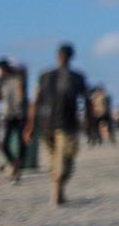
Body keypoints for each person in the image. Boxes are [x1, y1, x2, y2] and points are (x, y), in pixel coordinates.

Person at [24, 44, 90, 205]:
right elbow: (36, 102)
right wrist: (30, 126)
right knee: (61, 160)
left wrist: (31, 125)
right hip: (60, 125)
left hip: (53, 124)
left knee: (59, 159)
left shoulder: (50, 76)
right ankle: (57, 188)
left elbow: (35, 102)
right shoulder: (71, 77)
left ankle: (57, 188)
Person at [0, 58, 28, 183]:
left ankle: (17, 167)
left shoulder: (18, 76)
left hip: (20, 114)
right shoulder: (0, 80)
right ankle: (13, 163)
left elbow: (22, 94)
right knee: (3, 143)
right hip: (6, 115)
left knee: (22, 143)